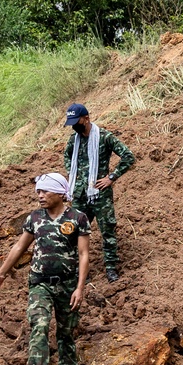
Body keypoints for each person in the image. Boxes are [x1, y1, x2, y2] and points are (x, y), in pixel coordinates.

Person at [0, 173, 96, 365]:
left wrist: (80, 288)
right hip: (40, 283)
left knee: (67, 332)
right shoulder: (34, 218)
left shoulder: (78, 218)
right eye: (38, 191)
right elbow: (19, 247)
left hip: (68, 284)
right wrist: (1, 273)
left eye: (44, 191)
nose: (40, 195)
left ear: (59, 193)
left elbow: (84, 254)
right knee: (40, 325)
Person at [63, 103, 136, 283]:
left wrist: (111, 177)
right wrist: (76, 175)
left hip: (100, 193)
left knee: (107, 230)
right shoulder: (74, 140)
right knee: (76, 231)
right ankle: (81, 271)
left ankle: (111, 268)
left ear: (86, 118)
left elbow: (128, 156)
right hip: (79, 194)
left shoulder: (104, 137)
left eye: (76, 121)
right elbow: (67, 156)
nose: (73, 125)